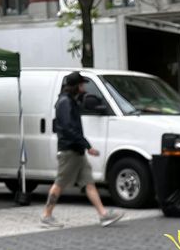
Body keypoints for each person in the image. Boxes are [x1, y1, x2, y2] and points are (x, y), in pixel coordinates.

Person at [41, 72, 123, 229]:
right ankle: (46, 215)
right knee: (60, 183)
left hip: (77, 151)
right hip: (69, 151)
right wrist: (87, 146)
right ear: (75, 86)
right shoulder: (65, 102)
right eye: (81, 85)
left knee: (89, 183)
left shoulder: (69, 101)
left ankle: (103, 215)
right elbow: (69, 129)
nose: (83, 88)